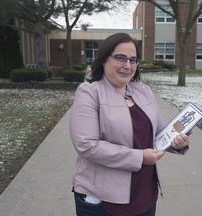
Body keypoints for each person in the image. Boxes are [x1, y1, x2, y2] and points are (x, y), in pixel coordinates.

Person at [69, 32, 190, 216]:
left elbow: (158, 134)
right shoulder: (89, 93)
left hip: (144, 194)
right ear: (103, 59)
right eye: (120, 58)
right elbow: (87, 145)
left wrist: (176, 143)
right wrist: (140, 157)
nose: (128, 66)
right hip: (103, 199)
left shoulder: (144, 90)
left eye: (133, 60)